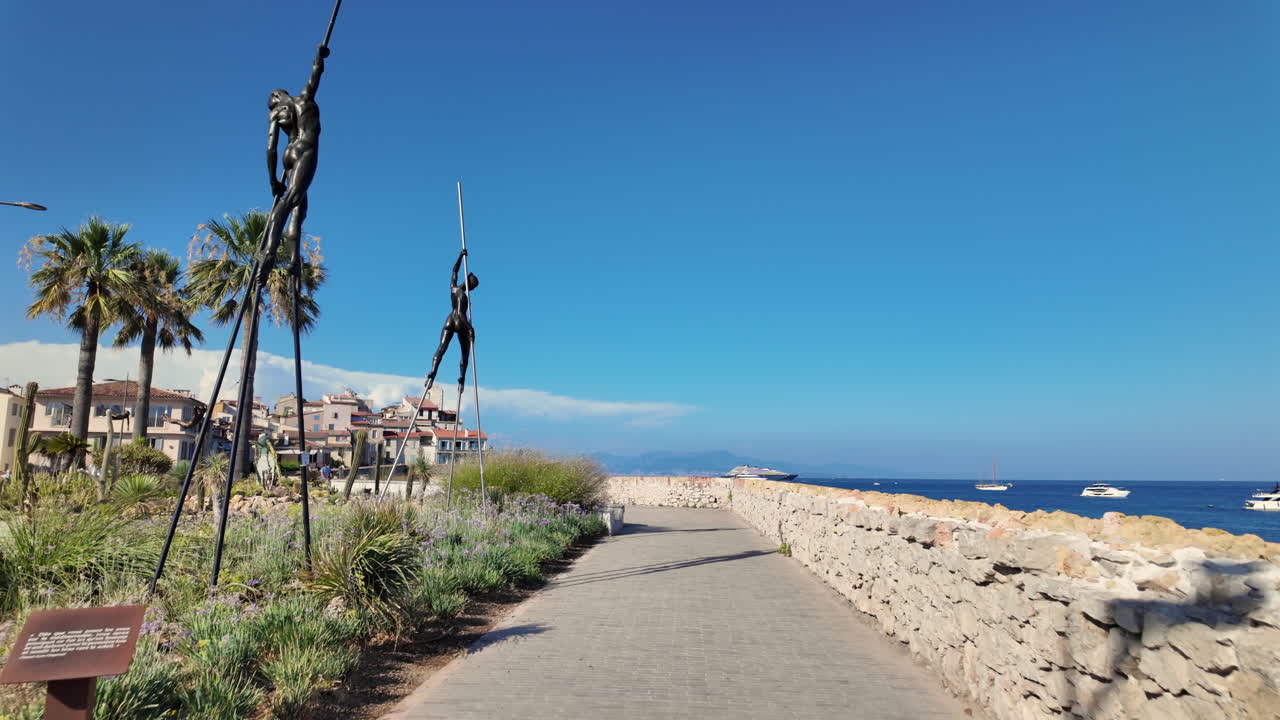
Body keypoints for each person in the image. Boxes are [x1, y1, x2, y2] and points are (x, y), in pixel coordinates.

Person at [259, 44, 329, 284]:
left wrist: (273, 181)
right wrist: (319, 58)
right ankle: (269, 251)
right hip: (306, 150)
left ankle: (292, 261)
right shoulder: (304, 99)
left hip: (289, 153)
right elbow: (315, 75)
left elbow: (271, 148)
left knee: (300, 208)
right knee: (292, 200)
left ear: (277, 97)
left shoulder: (277, 114)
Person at [425, 249, 480, 390]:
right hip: (460, 322)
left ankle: (433, 372)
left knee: (442, 348)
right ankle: (462, 378)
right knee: (465, 353)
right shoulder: (463, 296)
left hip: (450, 319)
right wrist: (470, 328)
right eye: (473, 286)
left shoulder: (453, 288)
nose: (472, 289)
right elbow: (462, 315)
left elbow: (454, 270)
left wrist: (460, 256)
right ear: (470, 285)